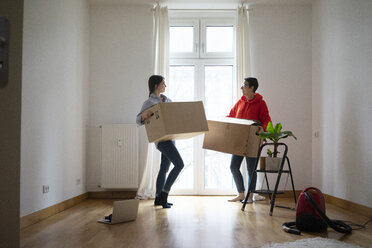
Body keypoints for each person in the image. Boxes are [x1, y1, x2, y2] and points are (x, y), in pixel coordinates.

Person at [136, 75, 184, 208]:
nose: (166, 86)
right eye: (163, 83)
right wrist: (144, 116)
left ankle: (158, 198)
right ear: (156, 85)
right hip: (161, 140)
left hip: (171, 138)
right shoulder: (149, 103)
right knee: (179, 164)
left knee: (164, 168)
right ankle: (164, 194)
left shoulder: (167, 99)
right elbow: (138, 120)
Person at [227, 77, 271, 203]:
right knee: (233, 166)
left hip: (253, 140)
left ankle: (250, 195)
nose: (242, 87)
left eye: (245, 85)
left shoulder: (261, 103)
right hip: (239, 140)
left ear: (252, 88)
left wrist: (264, 129)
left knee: (251, 169)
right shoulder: (240, 102)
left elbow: (266, 119)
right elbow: (230, 116)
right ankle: (241, 193)